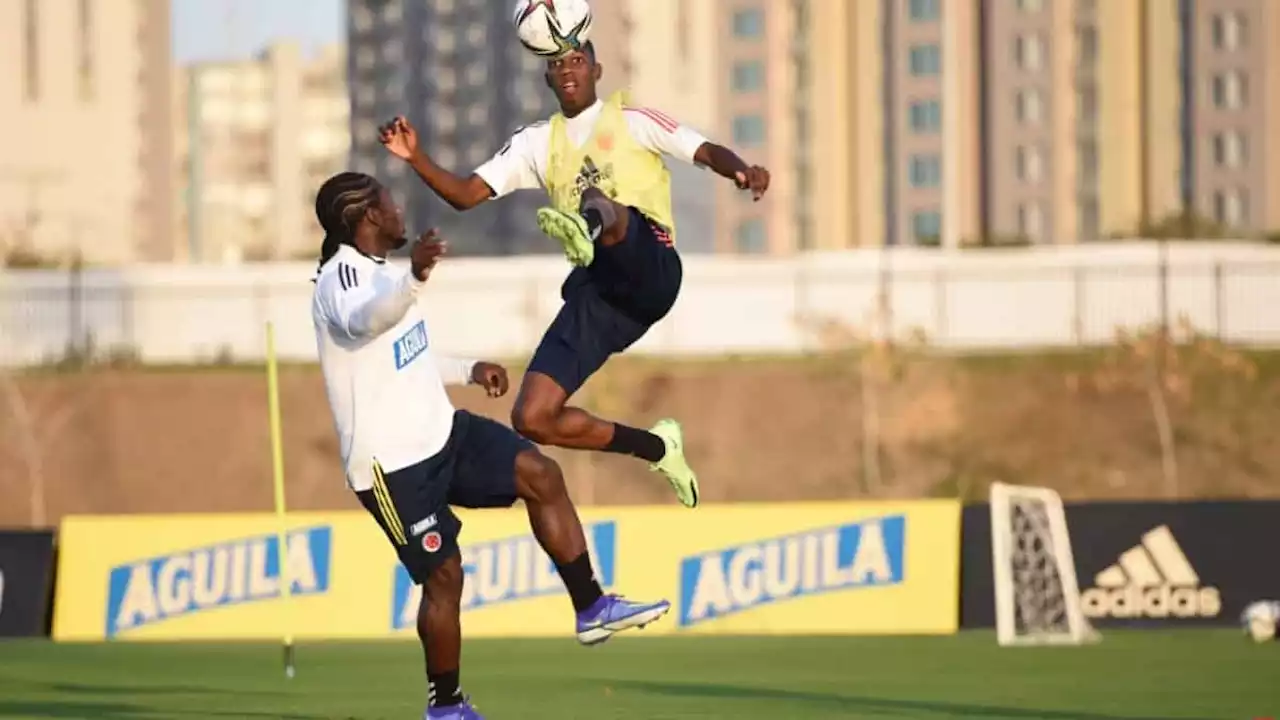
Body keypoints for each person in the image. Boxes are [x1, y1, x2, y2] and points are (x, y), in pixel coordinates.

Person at [310, 172, 671, 720]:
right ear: (367, 218)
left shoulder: (382, 273)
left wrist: (466, 368)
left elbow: (403, 353)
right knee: (445, 576)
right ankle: (447, 706)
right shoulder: (339, 280)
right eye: (387, 200)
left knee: (540, 473)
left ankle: (591, 606)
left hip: (444, 433)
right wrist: (415, 278)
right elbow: (365, 322)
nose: (397, 207)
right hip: (393, 468)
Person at [378, 40, 770, 511]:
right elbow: (465, 194)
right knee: (533, 417)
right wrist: (415, 156)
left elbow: (702, 148)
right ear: (547, 78)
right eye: (557, 64)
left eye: (577, 61)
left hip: (652, 267)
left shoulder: (633, 121)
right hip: (601, 296)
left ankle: (587, 225)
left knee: (604, 205)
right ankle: (658, 449)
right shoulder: (536, 143)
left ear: (597, 70)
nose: (567, 70)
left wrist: (742, 171)